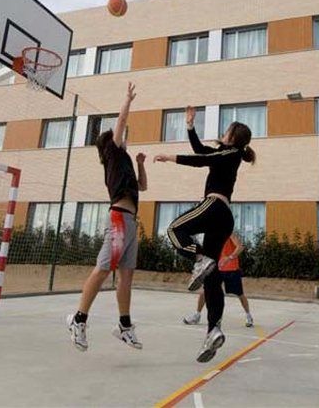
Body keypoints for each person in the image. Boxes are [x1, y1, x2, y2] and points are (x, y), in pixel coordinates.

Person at [154, 106, 255, 362]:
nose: (223, 132)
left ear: (232, 137)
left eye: (227, 130)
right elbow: (201, 151)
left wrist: (169, 157)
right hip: (223, 218)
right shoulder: (227, 153)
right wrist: (189, 125)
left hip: (215, 207)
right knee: (212, 280)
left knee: (175, 229)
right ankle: (213, 330)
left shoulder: (231, 153)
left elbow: (200, 160)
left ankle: (200, 260)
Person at [67, 82, 147, 352]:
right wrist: (127, 100)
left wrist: (140, 164)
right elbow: (121, 120)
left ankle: (124, 326)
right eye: (119, 135)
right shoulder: (113, 153)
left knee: (126, 276)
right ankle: (78, 319)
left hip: (130, 222)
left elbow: (143, 187)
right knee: (103, 270)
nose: (123, 136)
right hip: (118, 220)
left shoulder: (124, 162)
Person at [182, 233, 254, 328]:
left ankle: (248, 315)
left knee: (239, 294)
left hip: (231, 269)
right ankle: (197, 315)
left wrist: (229, 258)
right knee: (205, 291)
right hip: (216, 269)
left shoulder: (230, 233)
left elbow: (240, 247)